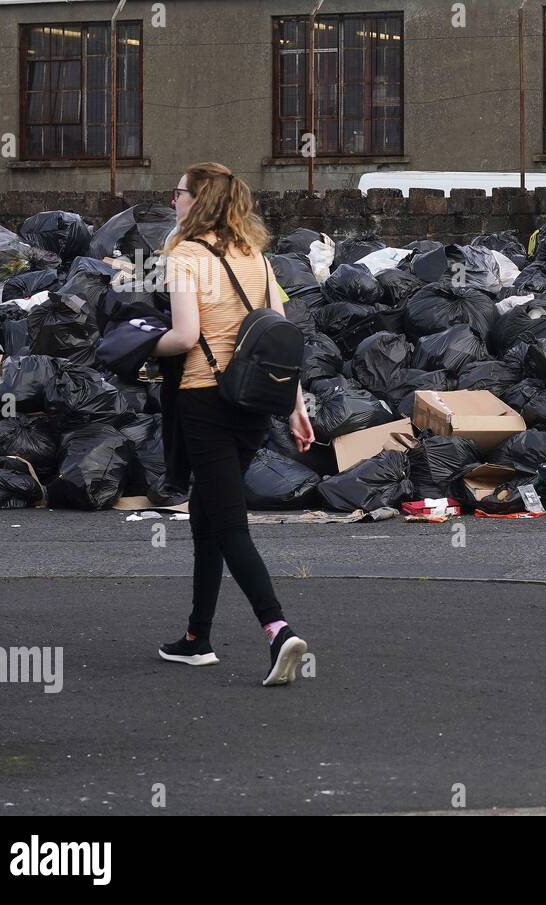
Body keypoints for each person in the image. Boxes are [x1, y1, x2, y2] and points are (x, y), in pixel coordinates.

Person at [153, 161, 314, 686]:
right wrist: (295, 404)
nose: (172, 201)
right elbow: (280, 336)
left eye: (178, 193)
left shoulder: (184, 256)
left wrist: (135, 346)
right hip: (253, 403)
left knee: (228, 524)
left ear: (197, 201)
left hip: (204, 400)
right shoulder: (256, 256)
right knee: (205, 518)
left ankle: (277, 630)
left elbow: (182, 335)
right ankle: (197, 638)